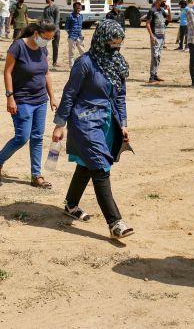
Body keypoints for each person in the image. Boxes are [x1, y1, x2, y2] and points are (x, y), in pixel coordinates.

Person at [52, 20, 134, 239]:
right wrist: (60, 125)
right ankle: (115, 223)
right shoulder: (85, 63)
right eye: (112, 43)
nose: (115, 48)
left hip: (107, 122)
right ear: (101, 40)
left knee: (86, 164)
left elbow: (120, 96)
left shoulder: (117, 63)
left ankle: (71, 204)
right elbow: (69, 94)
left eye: (119, 44)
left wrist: (123, 124)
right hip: (84, 121)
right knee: (99, 167)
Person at [0, 21, 58, 188]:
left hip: (40, 100)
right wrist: (10, 97)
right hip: (22, 100)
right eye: (45, 38)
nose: (47, 42)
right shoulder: (18, 46)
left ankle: (36, 175)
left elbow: (46, 73)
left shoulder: (43, 48)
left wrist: (52, 97)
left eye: (50, 39)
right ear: (36, 34)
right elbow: (7, 72)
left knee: (37, 137)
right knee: (22, 137)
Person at [146, 0, 171, 83]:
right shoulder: (152, 11)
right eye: (163, 1)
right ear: (158, 0)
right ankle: (151, 76)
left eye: (165, 1)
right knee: (155, 56)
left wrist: (169, 10)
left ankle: (155, 74)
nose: (164, 3)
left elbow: (169, 19)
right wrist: (152, 36)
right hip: (155, 36)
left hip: (162, 36)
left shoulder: (162, 10)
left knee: (158, 56)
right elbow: (148, 24)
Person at [42, 0, 61, 67]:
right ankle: (43, 60)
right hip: (47, 30)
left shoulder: (56, 8)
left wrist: (54, 31)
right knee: (43, 45)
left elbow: (57, 21)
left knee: (55, 47)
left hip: (55, 31)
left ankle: (54, 62)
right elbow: (43, 19)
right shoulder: (45, 8)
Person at [65, 1, 85, 67]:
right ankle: (72, 66)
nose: (79, 9)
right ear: (74, 8)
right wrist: (71, 35)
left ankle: (84, 65)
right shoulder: (70, 16)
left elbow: (80, 27)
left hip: (79, 37)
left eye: (80, 8)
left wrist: (81, 36)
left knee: (82, 52)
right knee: (72, 53)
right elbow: (66, 28)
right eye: (77, 8)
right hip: (72, 37)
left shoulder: (81, 16)